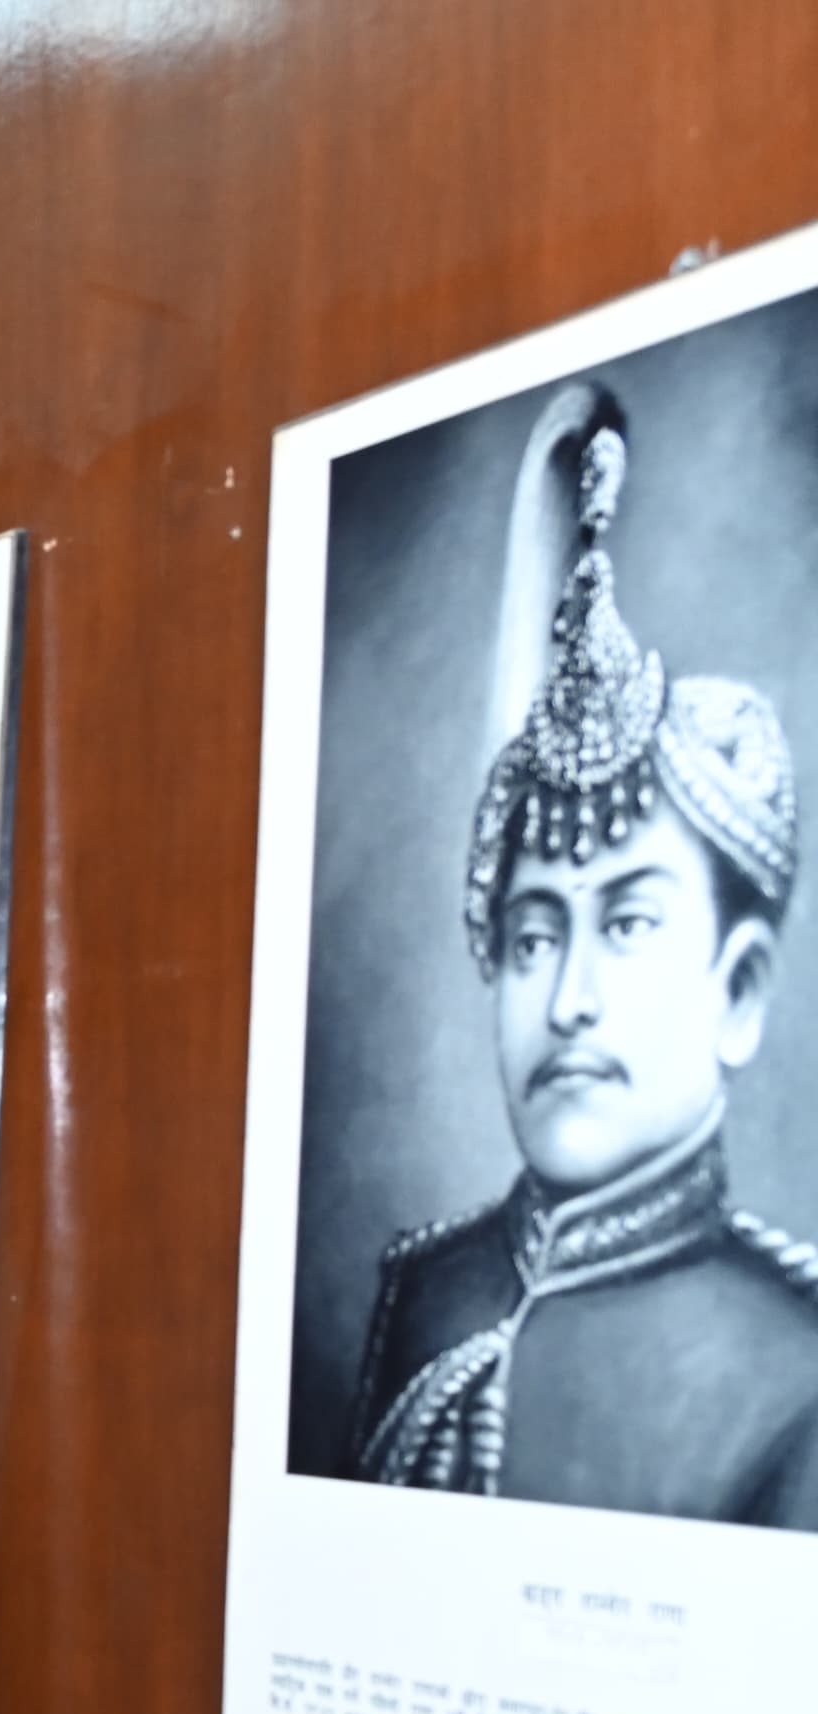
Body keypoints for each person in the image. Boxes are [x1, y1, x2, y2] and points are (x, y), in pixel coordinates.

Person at [338, 385, 818, 1523]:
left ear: (738, 990)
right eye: (532, 937)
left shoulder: (790, 1379)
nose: (568, 999)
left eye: (629, 924)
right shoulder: (426, 1294)